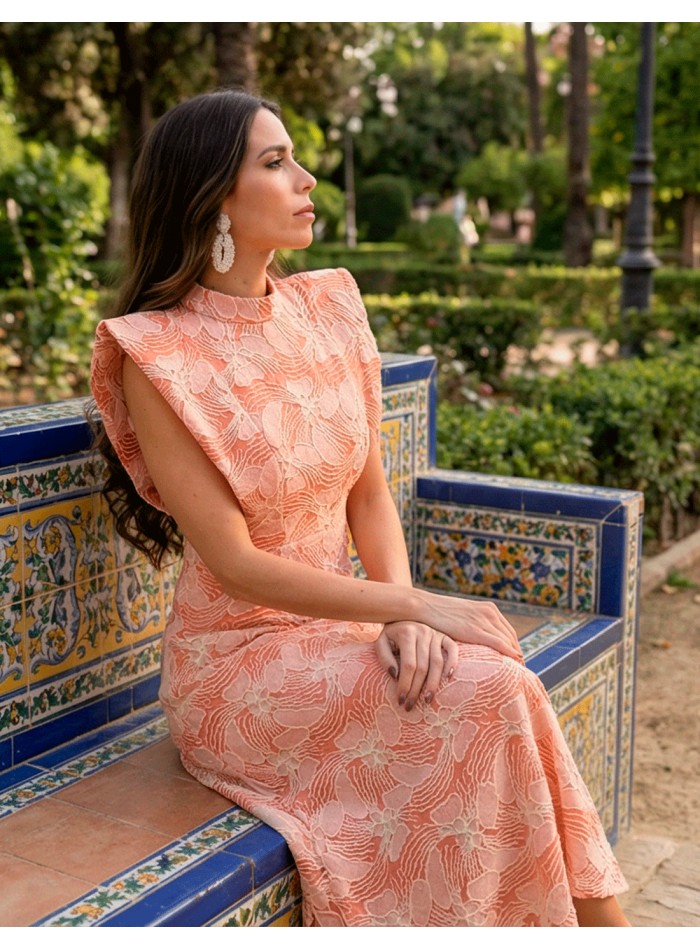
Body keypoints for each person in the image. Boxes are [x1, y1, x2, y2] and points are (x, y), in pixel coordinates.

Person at [89, 88, 629, 927]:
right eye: (275, 163)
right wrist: (412, 605)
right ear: (212, 196)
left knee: (493, 685)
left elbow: (369, 492)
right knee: (486, 693)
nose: (307, 179)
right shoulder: (156, 353)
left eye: (297, 158)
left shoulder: (328, 308)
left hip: (342, 629)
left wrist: (401, 620)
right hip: (238, 667)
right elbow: (235, 565)